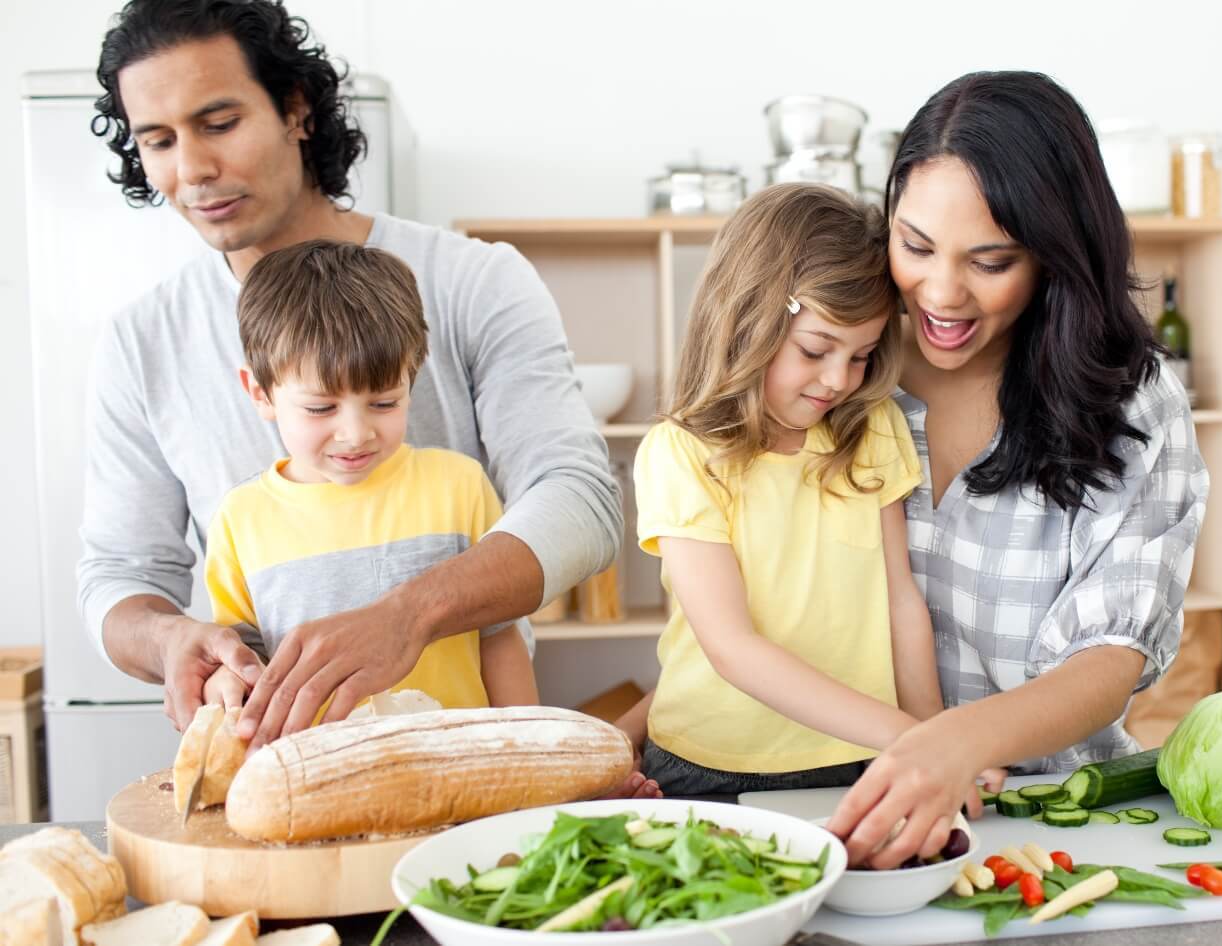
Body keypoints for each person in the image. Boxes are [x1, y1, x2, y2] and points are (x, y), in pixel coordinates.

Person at [80, 0, 623, 749]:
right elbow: (119, 572)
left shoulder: (474, 280)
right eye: (159, 141)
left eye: (219, 123)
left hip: (463, 748)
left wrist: (409, 617)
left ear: (296, 110)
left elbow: (581, 503)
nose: (193, 170)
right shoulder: (140, 343)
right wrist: (168, 640)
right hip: (293, 762)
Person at [825, 71, 1211, 867]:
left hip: (1057, 827)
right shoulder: (841, 371)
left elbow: (1108, 659)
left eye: (990, 261)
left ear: (1056, 253)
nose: (941, 292)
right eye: (915, 245)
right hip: (840, 812)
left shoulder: (1133, 404)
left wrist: (953, 745)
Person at [628, 184, 952, 795]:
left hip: (862, 757)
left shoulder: (869, 427)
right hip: (710, 766)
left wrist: (935, 739)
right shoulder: (681, 453)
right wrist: (909, 737)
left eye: (860, 356)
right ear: (746, 321)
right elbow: (732, 648)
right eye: (816, 349)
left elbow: (901, 602)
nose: (838, 380)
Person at [199, 239, 535, 717]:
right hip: (317, 778)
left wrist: (527, 757)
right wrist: (223, 686)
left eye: (384, 403)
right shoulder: (241, 519)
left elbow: (500, 641)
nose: (355, 435)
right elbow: (243, 669)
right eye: (321, 407)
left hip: (461, 770)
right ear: (261, 392)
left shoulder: (460, 486)